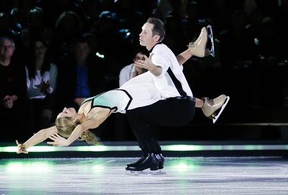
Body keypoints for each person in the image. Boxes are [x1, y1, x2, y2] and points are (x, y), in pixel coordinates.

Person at [16, 26, 228, 155]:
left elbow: (45, 132)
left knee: (167, 71)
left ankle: (203, 86)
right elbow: (80, 130)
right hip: (138, 97)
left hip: (131, 89)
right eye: (65, 113)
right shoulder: (93, 118)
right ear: (73, 122)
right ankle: (205, 99)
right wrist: (68, 141)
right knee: (167, 80)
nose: (64, 109)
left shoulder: (83, 110)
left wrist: (24, 146)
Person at [124, 17, 228, 171]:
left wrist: (150, 65)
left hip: (178, 108)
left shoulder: (158, 53)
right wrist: (192, 51)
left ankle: (152, 155)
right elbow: (176, 62)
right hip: (183, 106)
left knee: (133, 111)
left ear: (156, 37)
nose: (140, 34)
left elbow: (159, 70)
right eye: (141, 31)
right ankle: (154, 156)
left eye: (145, 32)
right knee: (137, 110)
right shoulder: (163, 50)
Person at [0, 36, 30, 141]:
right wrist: (3, 100)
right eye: (3, 46)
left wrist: (11, 99)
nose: (6, 49)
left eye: (9, 46)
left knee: (25, 109)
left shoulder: (18, 66)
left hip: (16, 101)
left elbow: (22, 90)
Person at [25, 38, 57, 132]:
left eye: (42, 47)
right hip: (31, 99)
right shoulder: (27, 67)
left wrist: (48, 89)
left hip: (46, 98)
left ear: (45, 49)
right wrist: (42, 90)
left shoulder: (52, 67)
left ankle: (45, 129)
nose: (40, 51)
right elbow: (28, 91)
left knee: (50, 99)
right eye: (37, 48)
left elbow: (52, 89)